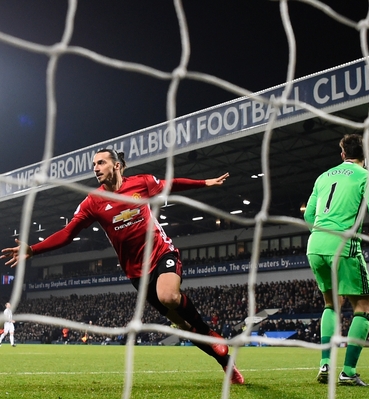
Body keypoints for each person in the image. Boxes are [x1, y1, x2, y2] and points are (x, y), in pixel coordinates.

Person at [1, 148, 244, 384]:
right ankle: (225, 362)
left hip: (161, 252)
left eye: (101, 163)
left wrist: (204, 183)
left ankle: (210, 333)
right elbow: (67, 233)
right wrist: (34, 249)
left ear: (116, 165)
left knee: (169, 296)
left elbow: (172, 184)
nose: (96, 168)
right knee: (183, 325)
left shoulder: (142, 183)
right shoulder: (93, 202)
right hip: (136, 273)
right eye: (94, 164)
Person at [304, 134, 369, 387]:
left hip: (316, 245)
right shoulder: (368, 177)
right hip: (342, 245)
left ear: (342, 154)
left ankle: (325, 364)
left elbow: (309, 215)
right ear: (366, 156)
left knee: (331, 304)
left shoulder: (323, 177)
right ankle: (349, 371)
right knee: (363, 307)